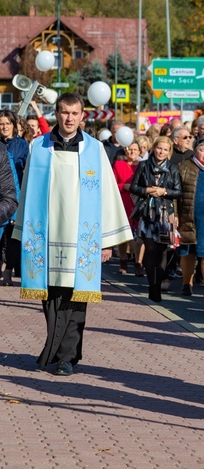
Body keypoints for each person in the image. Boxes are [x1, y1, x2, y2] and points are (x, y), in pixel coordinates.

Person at [13, 92, 132, 376]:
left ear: (82, 116)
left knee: (78, 297)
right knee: (51, 295)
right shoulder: (39, 147)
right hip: (47, 236)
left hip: (83, 238)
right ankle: (60, 351)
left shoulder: (94, 149)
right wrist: (26, 235)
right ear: (57, 113)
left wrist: (106, 241)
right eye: (64, 112)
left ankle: (65, 357)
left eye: (74, 113)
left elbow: (107, 195)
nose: (69, 118)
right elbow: (28, 190)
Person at [130, 136, 183, 303]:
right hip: (147, 213)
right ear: (154, 148)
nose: (161, 152)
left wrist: (164, 191)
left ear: (169, 152)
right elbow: (134, 187)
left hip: (165, 213)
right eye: (159, 148)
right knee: (150, 250)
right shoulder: (144, 165)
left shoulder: (173, 168)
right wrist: (147, 190)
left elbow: (178, 191)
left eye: (165, 149)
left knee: (162, 251)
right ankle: (152, 286)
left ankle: (159, 281)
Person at [177, 138, 204, 299]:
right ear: (195, 151)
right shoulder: (184, 166)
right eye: (202, 150)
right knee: (188, 250)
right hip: (188, 215)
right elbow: (176, 194)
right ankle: (186, 284)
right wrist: (174, 215)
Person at [0, 110, 28, 285]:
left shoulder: (21, 145)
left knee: (12, 237)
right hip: (1, 192)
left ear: (14, 125)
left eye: (7, 123)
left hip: (16, 194)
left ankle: (9, 270)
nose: (4, 127)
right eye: (1, 124)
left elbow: (27, 169)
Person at [112, 141, 145, 276]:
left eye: (135, 149)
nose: (132, 152)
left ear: (139, 151)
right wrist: (123, 186)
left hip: (138, 202)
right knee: (124, 234)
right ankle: (123, 261)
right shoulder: (119, 164)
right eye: (129, 149)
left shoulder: (143, 165)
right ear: (125, 151)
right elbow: (112, 183)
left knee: (139, 236)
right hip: (123, 201)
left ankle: (138, 263)